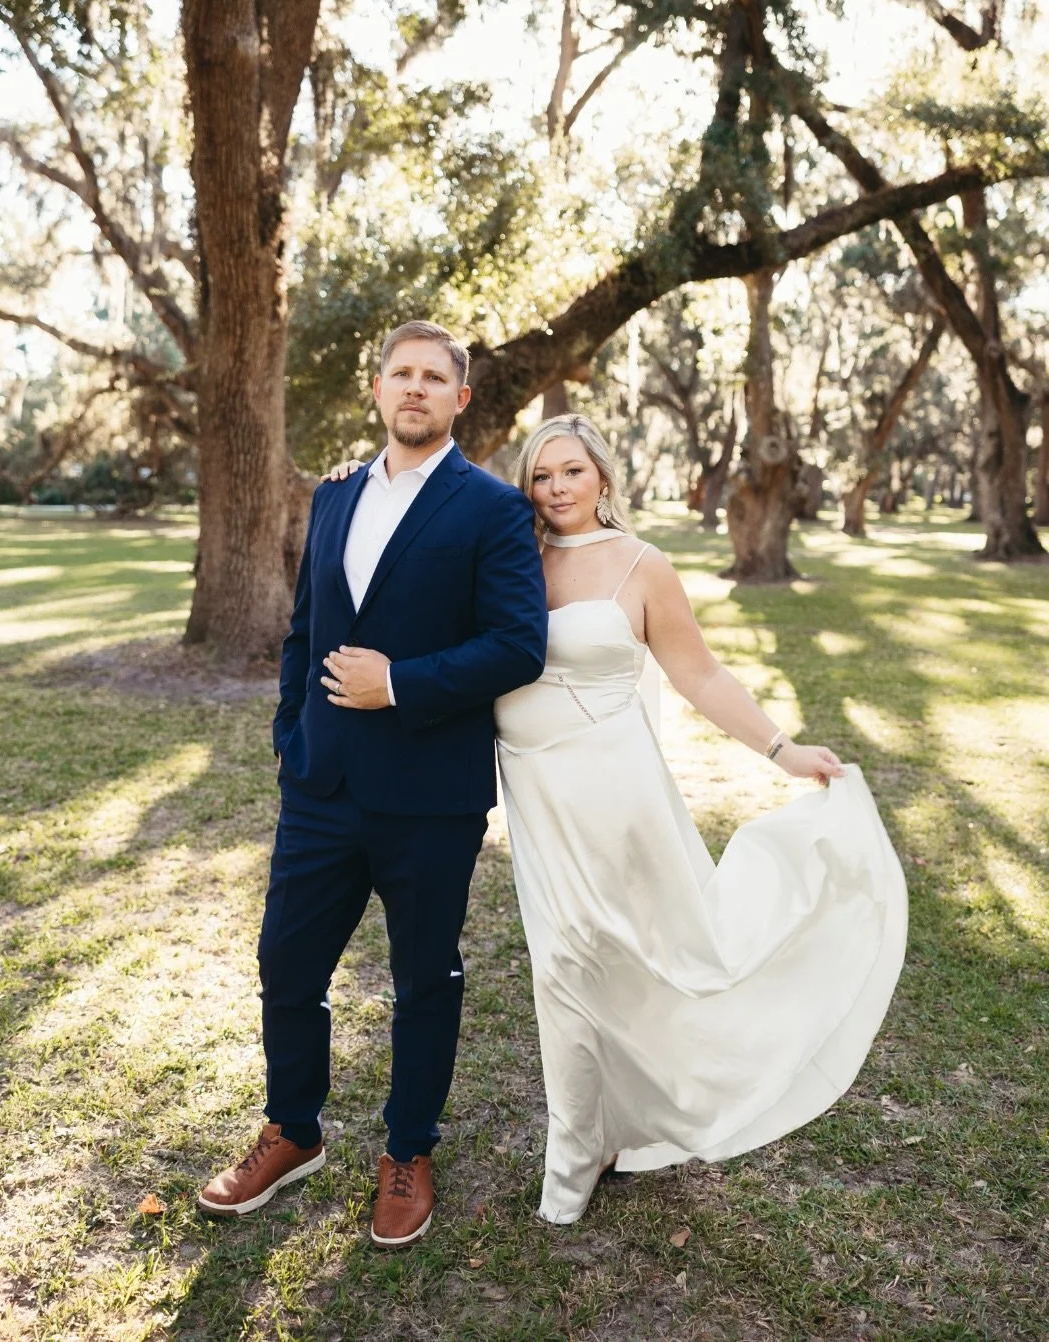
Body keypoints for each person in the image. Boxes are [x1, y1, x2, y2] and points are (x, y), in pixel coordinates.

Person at [329, 411, 908, 1226]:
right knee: (562, 962)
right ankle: (578, 1152)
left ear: (602, 475)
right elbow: (415, 563)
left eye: (572, 471)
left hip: (618, 786)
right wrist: (351, 485)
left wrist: (783, 750)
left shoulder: (643, 565)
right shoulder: (508, 553)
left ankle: (633, 1117)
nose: (557, 487)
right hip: (536, 789)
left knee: (647, 956)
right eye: (541, 474)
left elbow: (699, 676)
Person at [197, 322, 548, 1247]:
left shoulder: (491, 508)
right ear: (379, 388)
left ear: (461, 400)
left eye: (437, 378)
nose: (417, 389)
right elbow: (306, 630)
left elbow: (518, 645)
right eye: (403, 373)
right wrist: (290, 734)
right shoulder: (336, 495)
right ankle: (293, 1130)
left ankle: (408, 1150)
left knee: (423, 977)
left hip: (430, 793)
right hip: (321, 786)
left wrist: (397, 683)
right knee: (286, 964)